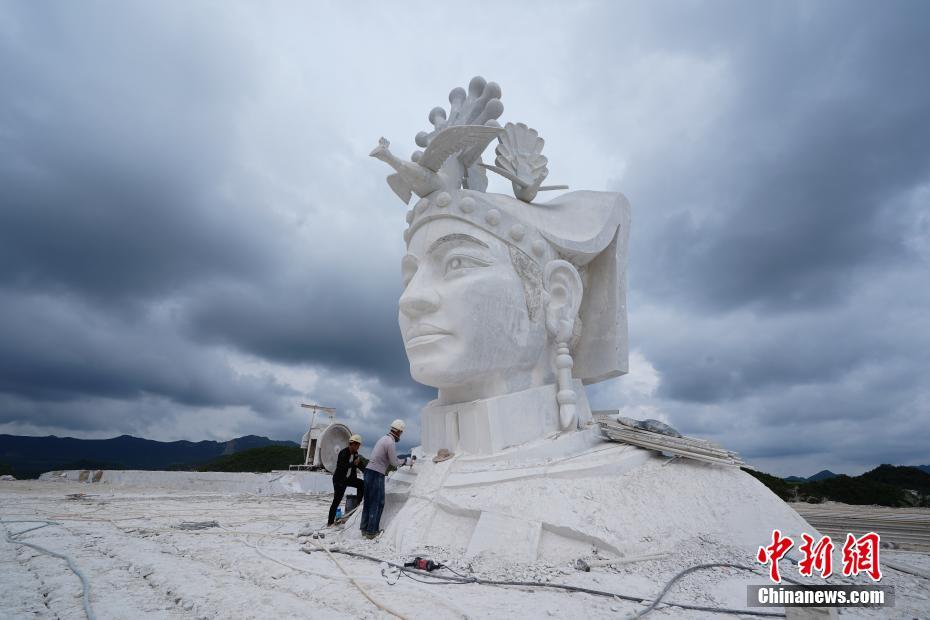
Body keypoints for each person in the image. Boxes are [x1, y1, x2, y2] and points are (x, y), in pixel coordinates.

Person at [360, 420, 408, 538]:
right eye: (400, 433)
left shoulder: (383, 439)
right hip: (376, 473)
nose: (400, 435)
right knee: (377, 502)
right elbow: (394, 462)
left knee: (369, 501)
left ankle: (364, 528)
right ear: (397, 431)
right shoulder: (390, 442)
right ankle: (372, 531)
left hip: (369, 471)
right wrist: (406, 461)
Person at [327, 434, 365, 526]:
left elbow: (359, 465)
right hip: (339, 480)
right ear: (353, 444)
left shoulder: (355, 454)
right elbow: (342, 467)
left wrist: (368, 472)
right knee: (337, 499)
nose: (358, 448)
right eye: (357, 445)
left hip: (349, 479)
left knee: (362, 484)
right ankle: (330, 522)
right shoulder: (343, 453)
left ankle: (359, 504)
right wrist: (353, 463)